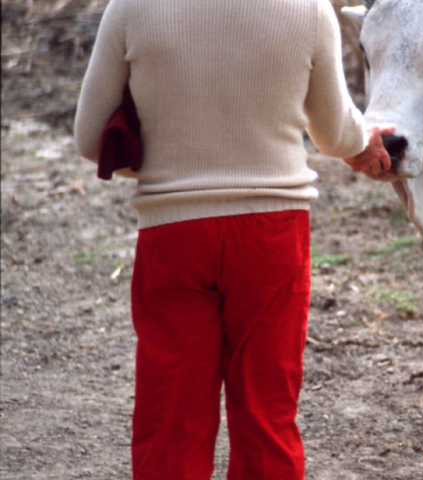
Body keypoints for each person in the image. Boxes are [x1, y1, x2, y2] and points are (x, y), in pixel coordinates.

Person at [74, 0, 393, 479]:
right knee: (267, 415)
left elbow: (89, 138)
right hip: (272, 234)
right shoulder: (307, 10)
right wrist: (363, 139)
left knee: (171, 419)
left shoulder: (130, 8)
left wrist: (161, 166)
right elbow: (333, 134)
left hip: (172, 231)